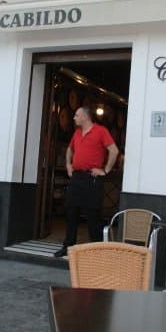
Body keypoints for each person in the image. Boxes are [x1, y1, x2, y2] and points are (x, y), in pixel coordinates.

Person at [54, 107, 119, 258]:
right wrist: (68, 165)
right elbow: (70, 150)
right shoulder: (77, 133)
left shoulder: (101, 131)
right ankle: (68, 247)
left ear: (84, 117)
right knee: (71, 213)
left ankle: (95, 252)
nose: (74, 118)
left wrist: (105, 170)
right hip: (76, 177)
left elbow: (114, 151)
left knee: (93, 216)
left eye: (76, 115)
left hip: (92, 178)